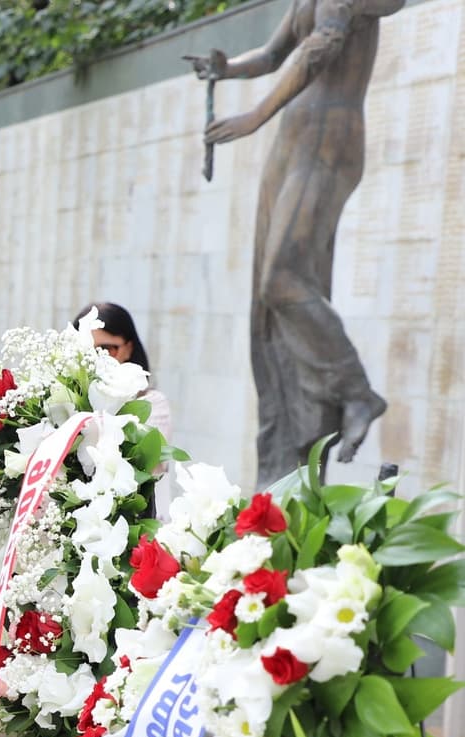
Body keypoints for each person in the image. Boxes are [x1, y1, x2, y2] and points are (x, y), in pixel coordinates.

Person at [187, 0, 398, 488]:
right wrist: (227, 68)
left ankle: (355, 389)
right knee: (268, 301)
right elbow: (274, 53)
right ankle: (288, 455)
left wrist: (255, 116)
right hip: (294, 140)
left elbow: (317, 53)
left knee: (281, 279)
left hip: (329, 137)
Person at [73, 302, 173, 515]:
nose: (96, 359)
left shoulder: (153, 404)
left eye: (106, 349)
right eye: (85, 352)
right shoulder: (65, 403)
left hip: (137, 526)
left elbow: (146, 464)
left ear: (128, 348)